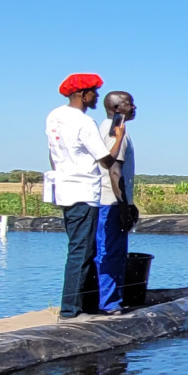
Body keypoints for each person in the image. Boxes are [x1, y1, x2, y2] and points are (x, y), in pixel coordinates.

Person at [46, 73, 125, 319]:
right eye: (93, 92)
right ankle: (70, 310)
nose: (96, 97)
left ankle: (88, 305)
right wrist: (117, 139)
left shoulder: (54, 117)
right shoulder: (84, 123)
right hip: (84, 191)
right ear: (82, 94)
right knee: (81, 251)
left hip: (65, 188)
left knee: (82, 248)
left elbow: (52, 154)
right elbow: (106, 160)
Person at [95, 91, 139, 314]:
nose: (134, 107)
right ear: (116, 108)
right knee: (111, 252)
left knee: (112, 252)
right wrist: (124, 206)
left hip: (113, 202)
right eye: (129, 103)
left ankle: (111, 299)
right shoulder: (115, 131)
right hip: (111, 203)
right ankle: (109, 303)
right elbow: (114, 171)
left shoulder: (114, 129)